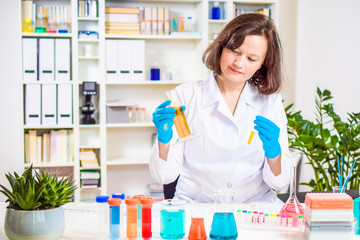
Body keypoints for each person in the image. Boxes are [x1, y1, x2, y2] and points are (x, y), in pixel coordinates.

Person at [150, 13, 291, 203]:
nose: (239, 63)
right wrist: (164, 139)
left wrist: (274, 152)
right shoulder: (186, 96)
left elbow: (280, 181)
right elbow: (164, 177)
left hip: (255, 206)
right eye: (235, 51)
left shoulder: (269, 102)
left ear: (263, 64)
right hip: (197, 207)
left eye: (251, 58)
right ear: (222, 46)